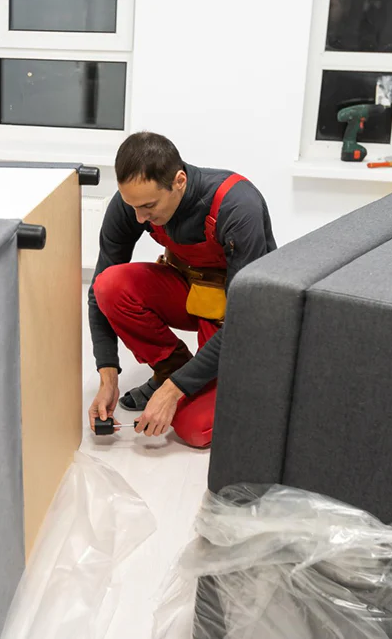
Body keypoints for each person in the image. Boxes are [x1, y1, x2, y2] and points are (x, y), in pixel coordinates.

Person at [87, 131, 276, 447]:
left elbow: (246, 321)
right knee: (110, 286)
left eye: (148, 206)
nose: (139, 217)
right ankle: (171, 369)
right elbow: (97, 293)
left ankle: (208, 384)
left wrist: (174, 392)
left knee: (191, 427)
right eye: (132, 205)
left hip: (240, 317)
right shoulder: (133, 204)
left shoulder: (237, 206)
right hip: (189, 292)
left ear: (179, 181)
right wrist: (108, 377)